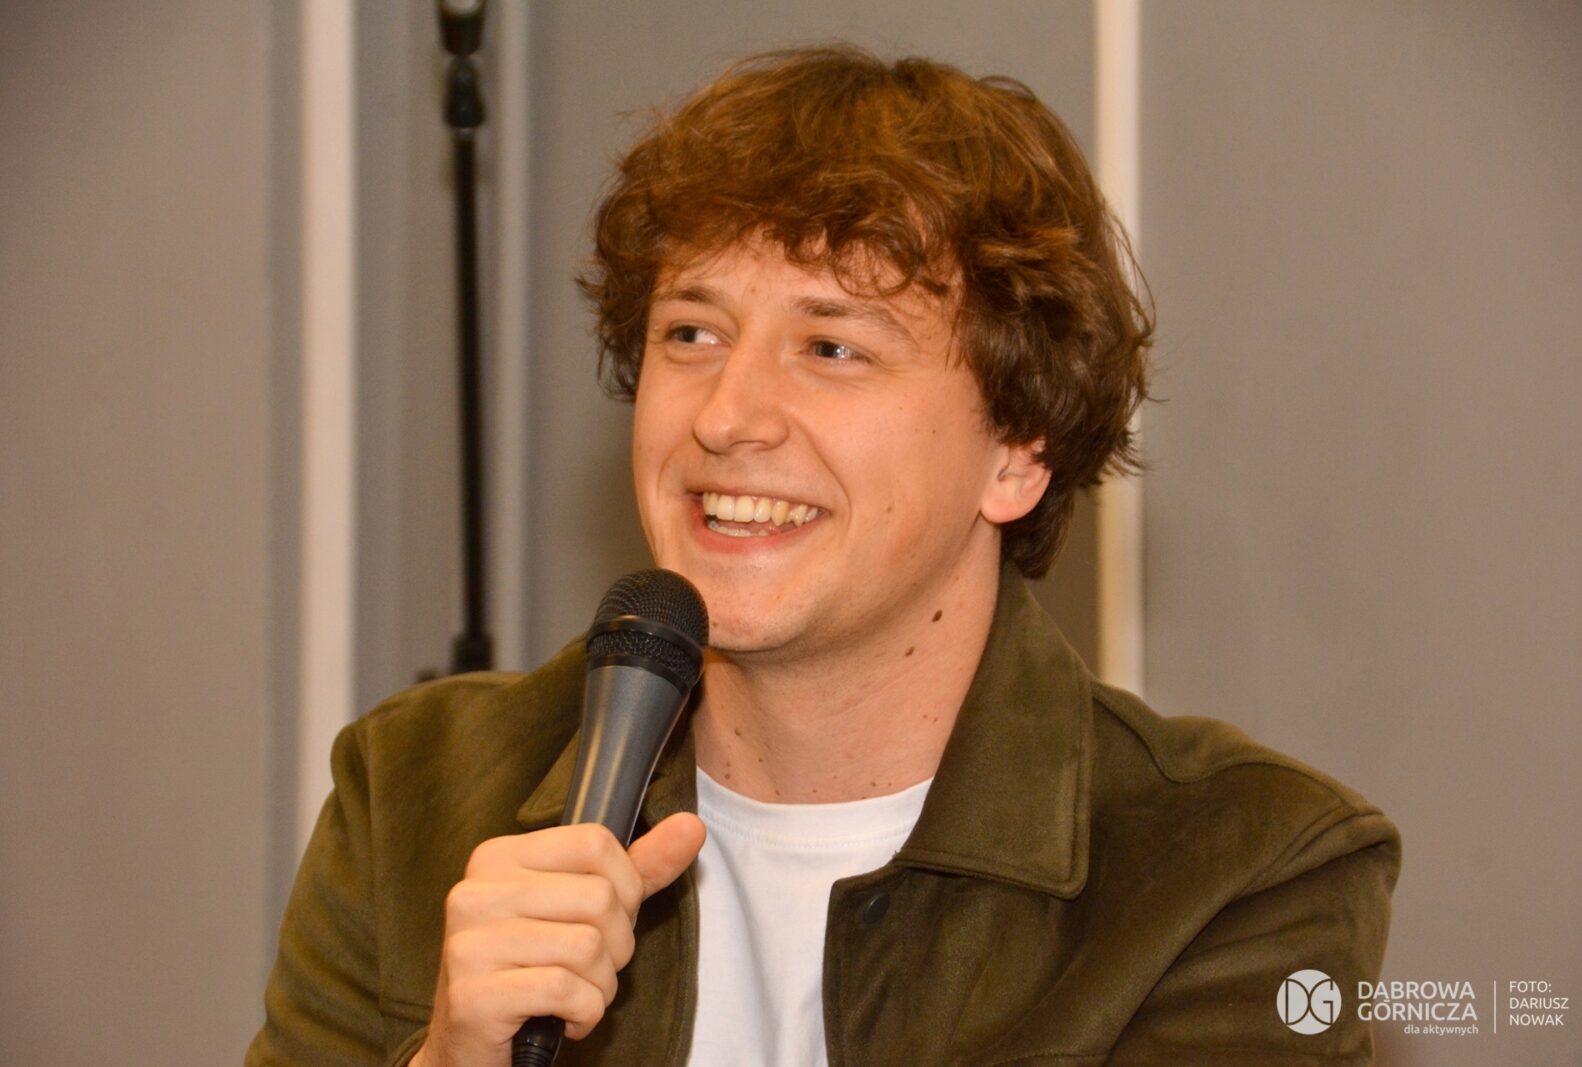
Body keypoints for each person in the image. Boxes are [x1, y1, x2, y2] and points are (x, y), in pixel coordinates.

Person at [249, 46, 1399, 1067]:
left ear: (1016, 453)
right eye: (690, 333)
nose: (726, 415)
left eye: (832, 347)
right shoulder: (414, 792)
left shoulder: (1232, 869)